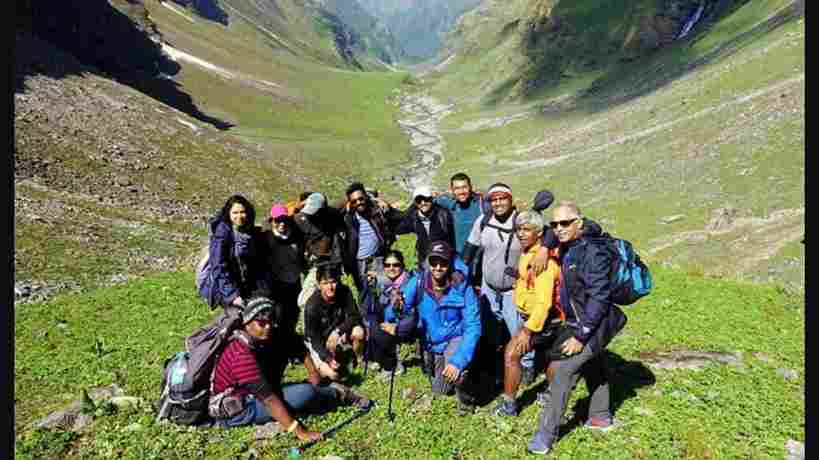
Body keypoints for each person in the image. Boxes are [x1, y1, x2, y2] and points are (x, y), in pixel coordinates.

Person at [528, 201, 627, 455]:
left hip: (596, 322)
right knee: (593, 364)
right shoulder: (570, 243)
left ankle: (545, 436)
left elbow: (600, 297)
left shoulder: (592, 251)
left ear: (579, 224)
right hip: (582, 319)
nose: (558, 229)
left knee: (565, 371)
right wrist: (544, 248)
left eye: (564, 223)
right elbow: (552, 235)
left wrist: (582, 336)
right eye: (554, 223)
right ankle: (600, 416)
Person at [210, 296, 370, 436]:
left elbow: (297, 345)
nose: (268, 327)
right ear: (247, 323)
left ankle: (325, 389)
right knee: (304, 394)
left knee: (285, 354)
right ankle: (338, 393)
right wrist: (300, 432)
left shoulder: (267, 335)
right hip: (240, 408)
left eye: (270, 321)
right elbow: (269, 400)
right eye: (261, 323)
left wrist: (313, 372)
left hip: (258, 391)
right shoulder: (241, 355)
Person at [462, 183, 539, 385]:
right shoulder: (484, 221)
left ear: (511, 199)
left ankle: (528, 366)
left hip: (513, 291)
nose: (498, 203)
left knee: (519, 332)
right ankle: (496, 363)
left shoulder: (521, 221)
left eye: (502, 198)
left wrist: (546, 249)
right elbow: (469, 249)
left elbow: (545, 234)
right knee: (488, 329)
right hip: (488, 287)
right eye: (494, 199)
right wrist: (460, 273)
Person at [399, 241, 482, 414]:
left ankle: (467, 403)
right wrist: (395, 307)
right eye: (434, 262)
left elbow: (473, 326)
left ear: (450, 263)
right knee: (440, 390)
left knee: (456, 370)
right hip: (432, 344)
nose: (438, 267)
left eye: (443, 263)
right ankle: (455, 370)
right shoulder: (418, 282)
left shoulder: (462, 286)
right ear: (427, 262)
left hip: (455, 338)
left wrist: (458, 361)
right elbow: (401, 309)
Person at [494, 210, 563, 417]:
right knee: (551, 355)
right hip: (546, 318)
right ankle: (552, 394)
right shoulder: (529, 252)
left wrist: (527, 330)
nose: (521, 234)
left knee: (511, 353)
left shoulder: (543, 262)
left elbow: (543, 302)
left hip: (543, 319)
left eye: (526, 230)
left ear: (539, 234)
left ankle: (509, 406)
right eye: (519, 230)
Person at [204, 195, 271, 314]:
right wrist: (232, 295)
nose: (239, 216)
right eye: (235, 212)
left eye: (242, 212)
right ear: (228, 214)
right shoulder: (222, 234)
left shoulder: (250, 232)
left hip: (250, 286)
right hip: (229, 288)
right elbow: (218, 266)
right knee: (235, 321)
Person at [303, 264, 366, 381]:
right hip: (318, 340)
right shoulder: (312, 306)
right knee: (333, 375)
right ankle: (322, 365)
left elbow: (354, 315)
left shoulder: (344, 291)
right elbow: (313, 338)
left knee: (359, 332)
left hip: (337, 331)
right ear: (318, 284)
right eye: (325, 283)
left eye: (333, 282)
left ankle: (359, 358)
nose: (330, 287)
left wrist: (338, 331)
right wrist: (327, 358)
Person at [359, 250, 415, 380]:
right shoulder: (387, 280)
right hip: (388, 315)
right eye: (387, 265)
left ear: (402, 266)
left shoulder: (408, 283)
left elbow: (409, 313)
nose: (391, 268)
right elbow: (385, 280)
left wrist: (394, 324)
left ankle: (392, 366)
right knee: (371, 320)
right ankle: (379, 358)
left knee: (377, 330)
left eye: (396, 265)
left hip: (404, 322)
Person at [341, 182, 403, 292]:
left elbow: (402, 217)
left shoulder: (377, 210)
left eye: (361, 199)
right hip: (359, 263)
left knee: (384, 290)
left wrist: (385, 204)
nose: (358, 202)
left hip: (378, 258)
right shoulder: (347, 217)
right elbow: (329, 210)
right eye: (354, 201)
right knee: (364, 293)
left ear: (366, 196)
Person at [293, 192, 347, 308]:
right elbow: (272, 221)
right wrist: (296, 206)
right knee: (303, 300)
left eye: (314, 212)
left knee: (332, 294)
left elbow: (348, 199)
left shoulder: (333, 213)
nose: (311, 215)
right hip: (313, 265)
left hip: (332, 264)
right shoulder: (300, 218)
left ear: (323, 210)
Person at [261, 203, 306, 332]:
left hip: (294, 282)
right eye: (278, 220)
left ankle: (290, 340)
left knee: (293, 314)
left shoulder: (296, 236)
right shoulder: (266, 238)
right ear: (272, 221)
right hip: (276, 286)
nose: (282, 223)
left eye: (285, 220)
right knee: (278, 317)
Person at [394, 184, 456, 272]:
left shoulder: (443, 214)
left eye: (426, 199)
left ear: (431, 199)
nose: (423, 203)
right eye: (419, 200)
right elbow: (399, 227)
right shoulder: (413, 217)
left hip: (442, 260)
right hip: (423, 260)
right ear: (415, 203)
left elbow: (452, 237)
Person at [433, 172, 487, 258]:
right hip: (458, 256)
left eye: (464, 187)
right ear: (452, 190)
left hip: (479, 256)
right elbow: (429, 200)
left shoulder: (482, 204)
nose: (461, 192)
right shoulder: (449, 203)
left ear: (470, 187)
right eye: (457, 188)